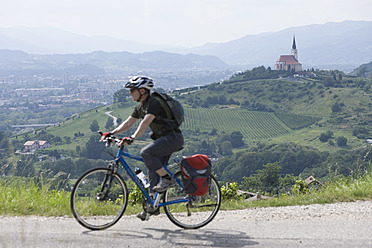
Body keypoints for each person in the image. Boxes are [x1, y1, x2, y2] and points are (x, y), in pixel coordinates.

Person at [100, 76, 184, 220]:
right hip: (163, 139)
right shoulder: (141, 106)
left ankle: (167, 178)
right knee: (153, 167)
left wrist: (132, 138)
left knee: (146, 153)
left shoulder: (154, 103)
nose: (130, 93)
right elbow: (128, 123)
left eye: (132, 90)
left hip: (172, 139)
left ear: (142, 90)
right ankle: (153, 205)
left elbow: (145, 123)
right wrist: (112, 133)